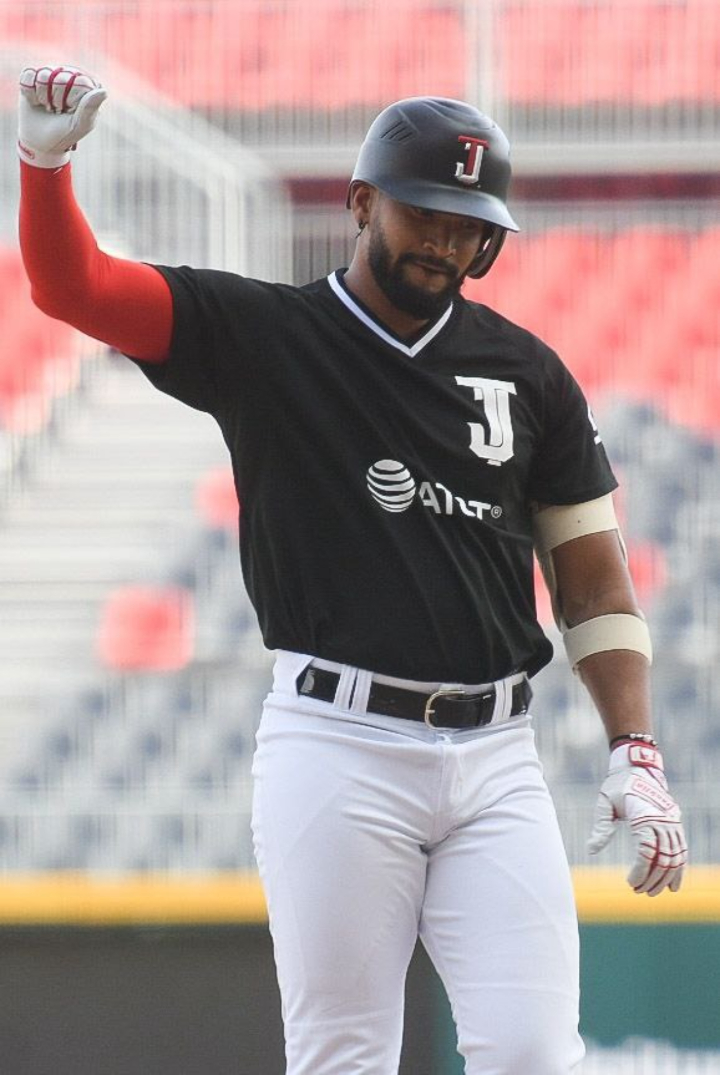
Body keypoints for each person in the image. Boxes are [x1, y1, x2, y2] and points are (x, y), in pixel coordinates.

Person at [17, 66, 687, 1075]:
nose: (447, 242)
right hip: (338, 743)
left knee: (535, 1055)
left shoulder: (529, 372)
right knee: (345, 1057)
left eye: (470, 225)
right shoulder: (266, 334)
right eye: (427, 214)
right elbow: (76, 288)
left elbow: (592, 577)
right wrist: (43, 166)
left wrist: (635, 746)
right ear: (363, 201)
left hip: (496, 757)